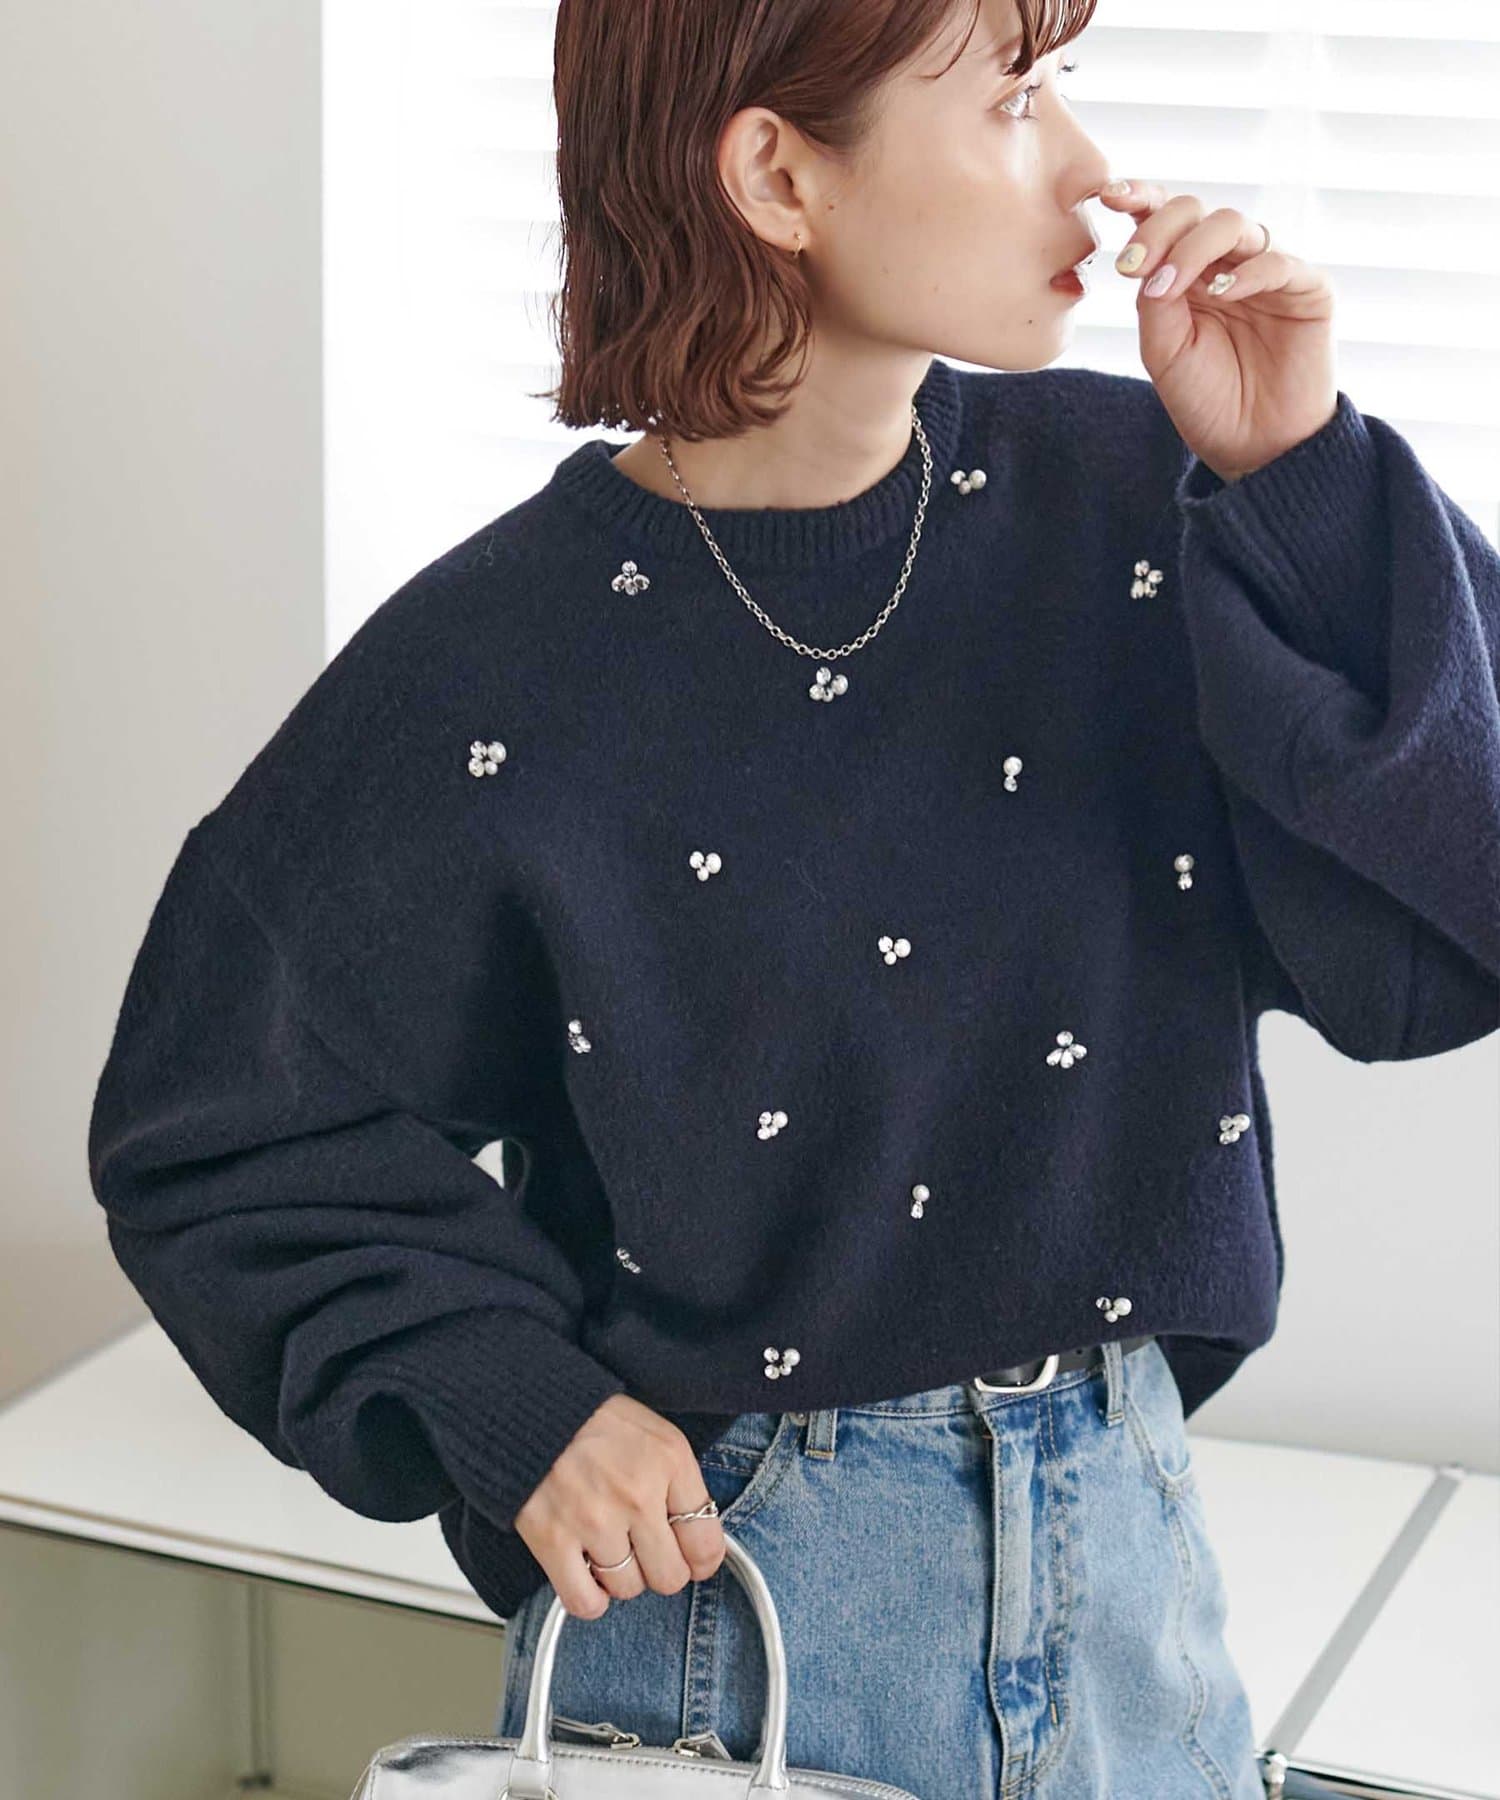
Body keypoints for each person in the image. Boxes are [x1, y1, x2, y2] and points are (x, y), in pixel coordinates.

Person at [88, 0, 1499, 1794]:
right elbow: (215, 1126)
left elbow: (1446, 932)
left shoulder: (1144, 505)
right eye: (1013, 100)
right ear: (774, 171)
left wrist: (1302, 482)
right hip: (734, 1616)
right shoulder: (495, 664)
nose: (1089, 168)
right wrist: (515, 1403)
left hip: (1132, 1595)